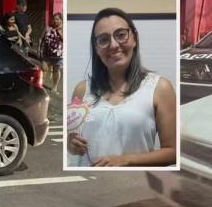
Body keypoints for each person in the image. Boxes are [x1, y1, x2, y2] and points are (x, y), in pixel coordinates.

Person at [68, 8, 176, 167]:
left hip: (131, 186)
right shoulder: (82, 90)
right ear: (96, 48)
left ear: (134, 38)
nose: (113, 45)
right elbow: (73, 137)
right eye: (103, 39)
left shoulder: (160, 88)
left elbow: (173, 152)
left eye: (121, 35)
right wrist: (71, 144)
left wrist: (125, 160)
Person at [40, 12, 63, 93]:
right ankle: (40, 84)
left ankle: (55, 86)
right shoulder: (48, 28)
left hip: (58, 54)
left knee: (56, 70)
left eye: (57, 19)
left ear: (61, 20)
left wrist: (60, 32)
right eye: (54, 19)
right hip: (46, 53)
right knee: (44, 69)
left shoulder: (64, 28)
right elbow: (41, 39)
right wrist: (39, 50)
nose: (55, 21)